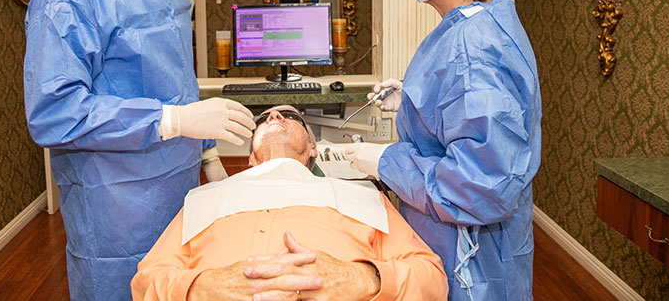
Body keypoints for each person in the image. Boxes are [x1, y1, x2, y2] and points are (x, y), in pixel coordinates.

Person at [24, 0, 256, 301]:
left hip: (179, 181)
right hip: (116, 202)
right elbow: (55, 112)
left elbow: (176, 78)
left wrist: (207, 157)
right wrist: (172, 122)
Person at [344, 0, 542, 301]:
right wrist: (417, 100)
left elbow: (479, 187)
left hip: (470, 263)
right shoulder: (480, 23)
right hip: (464, 240)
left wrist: (385, 162)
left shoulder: (476, 49)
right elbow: (470, 110)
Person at [131, 105, 448, 301]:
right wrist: (200, 288)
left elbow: (431, 279)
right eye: (264, 118)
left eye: (291, 115)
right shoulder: (205, 201)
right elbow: (146, 282)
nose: (274, 114)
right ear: (252, 157)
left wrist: (363, 278)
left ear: (313, 148)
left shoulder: (364, 198)